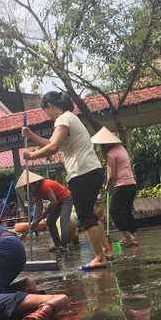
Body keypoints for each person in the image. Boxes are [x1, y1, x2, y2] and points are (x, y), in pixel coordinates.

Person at [22, 92, 111, 271]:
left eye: (45, 110)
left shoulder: (63, 119)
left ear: (50, 106)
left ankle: (100, 258)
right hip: (92, 170)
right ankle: (106, 252)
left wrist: (31, 155)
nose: (47, 114)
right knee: (91, 214)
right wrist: (32, 135)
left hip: (81, 173)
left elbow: (53, 147)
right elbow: (51, 142)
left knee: (85, 216)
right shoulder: (71, 118)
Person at [93, 127, 139, 247]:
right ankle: (134, 238)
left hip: (122, 185)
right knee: (127, 211)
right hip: (131, 184)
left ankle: (127, 236)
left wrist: (106, 186)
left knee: (114, 211)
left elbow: (111, 175)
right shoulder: (121, 148)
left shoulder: (111, 154)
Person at [15, 169, 73, 252]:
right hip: (56, 201)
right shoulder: (35, 191)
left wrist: (45, 213)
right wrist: (36, 220)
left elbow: (53, 202)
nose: (26, 189)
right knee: (50, 221)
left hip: (65, 198)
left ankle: (63, 246)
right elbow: (39, 206)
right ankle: (57, 245)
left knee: (63, 221)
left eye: (27, 187)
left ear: (34, 184)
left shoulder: (45, 186)